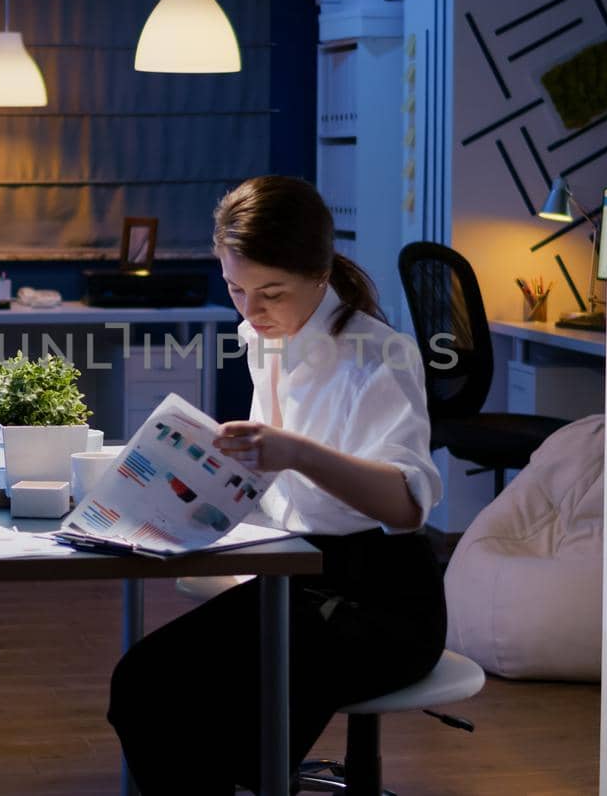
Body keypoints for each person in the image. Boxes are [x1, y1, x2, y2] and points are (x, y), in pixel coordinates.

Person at [107, 175, 447, 794]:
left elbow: (404, 507)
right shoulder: (265, 338)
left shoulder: (380, 355)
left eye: (270, 292)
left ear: (320, 275)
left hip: (380, 598)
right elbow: (269, 480)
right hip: (296, 576)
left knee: (219, 722)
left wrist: (293, 453)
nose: (251, 310)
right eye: (236, 288)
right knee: (142, 684)